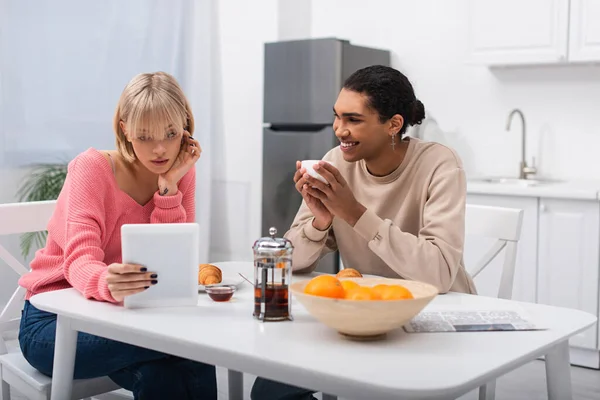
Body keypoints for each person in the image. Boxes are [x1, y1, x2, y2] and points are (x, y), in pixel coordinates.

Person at [250, 65, 476, 399]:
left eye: (353, 119)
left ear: (393, 125)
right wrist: (320, 221)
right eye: (337, 117)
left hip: (431, 317)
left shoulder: (439, 164)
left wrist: (355, 213)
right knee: (271, 391)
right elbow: (290, 262)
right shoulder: (335, 162)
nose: (339, 130)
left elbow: (439, 273)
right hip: (360, 313)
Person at [17, 71, 217, 399]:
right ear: (124, 129)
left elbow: (169, 262)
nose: (160, 149)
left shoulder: (180, 172)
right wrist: (107, 282)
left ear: (185, 125)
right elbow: (79, 262)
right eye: (145, 136)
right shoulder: (91, 168)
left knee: (165, 375)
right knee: (191, 350)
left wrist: (169, 189)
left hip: (124, 317)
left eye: (170, 133)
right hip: (53, 322)